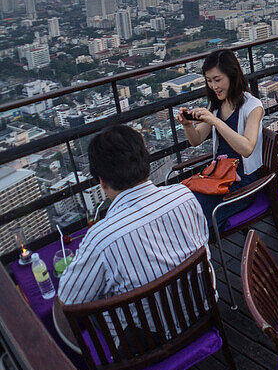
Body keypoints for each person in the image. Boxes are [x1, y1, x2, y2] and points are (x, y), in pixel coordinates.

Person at [58, 125, 208, 310]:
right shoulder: (184, 196)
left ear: (102, 182)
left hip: (149, 335)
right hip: (204, 307)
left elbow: (68, 299)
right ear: (146, 161)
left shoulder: (101, 239)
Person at [178, 50, 264, 234]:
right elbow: (196, 140)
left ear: (232, 76)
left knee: (192, 213)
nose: (213, 86)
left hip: (241, 183)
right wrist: (187, 125)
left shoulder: (253, 106)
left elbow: (247, 148)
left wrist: (215, 121)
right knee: (181, 204)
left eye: (218, 80)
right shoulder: (217, 105)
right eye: (209, 81)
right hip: (218, 177)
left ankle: (196, 253)